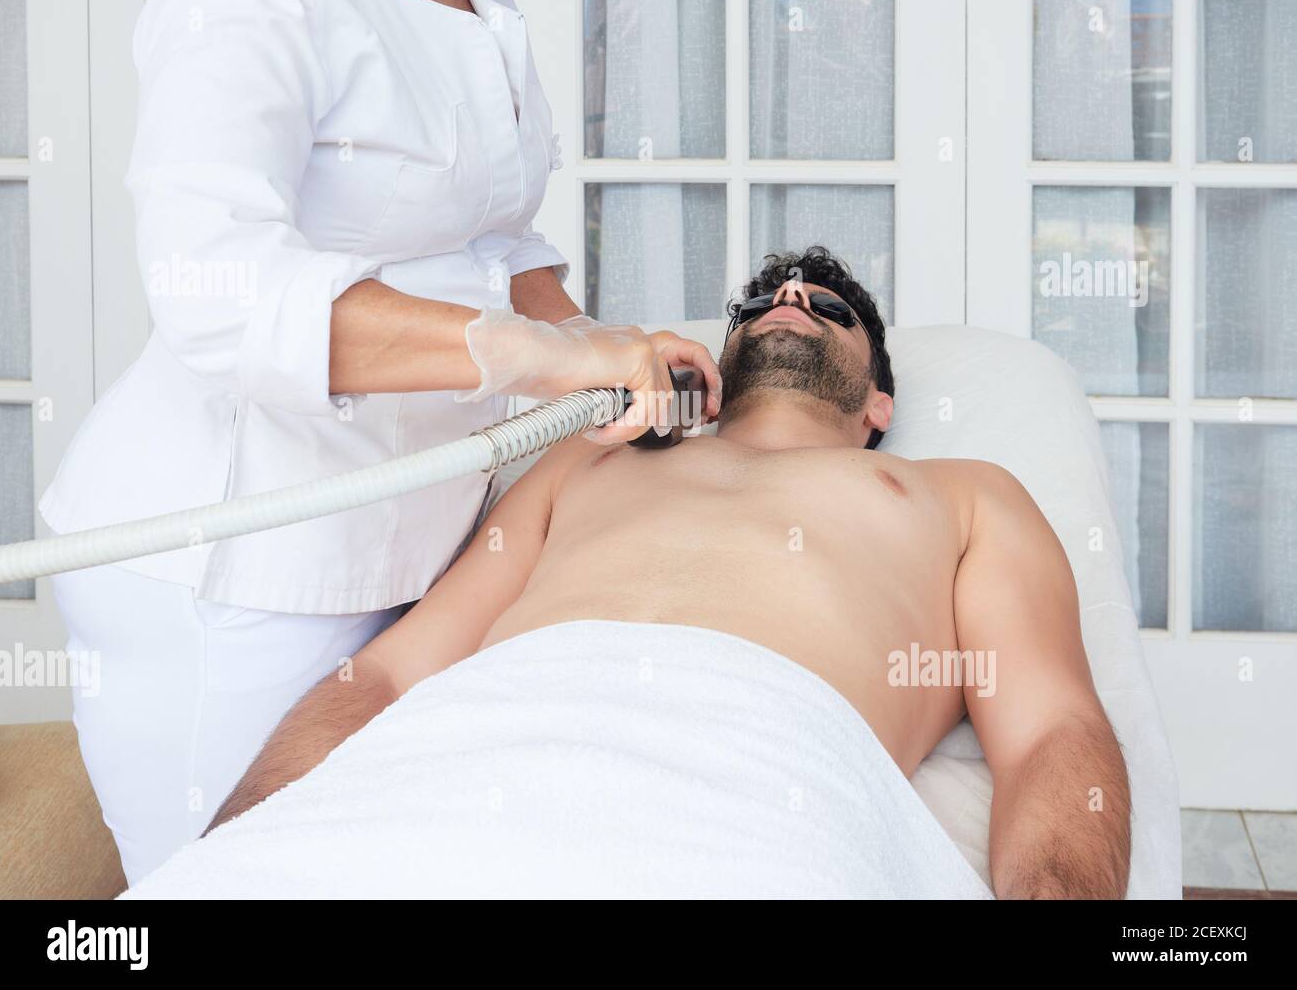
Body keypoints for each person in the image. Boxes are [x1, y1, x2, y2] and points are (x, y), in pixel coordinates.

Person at [39, 0, 719, 885]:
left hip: (410, 552)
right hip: (235, 565)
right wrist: (535, 357)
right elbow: (215, 282)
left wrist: (610, 348)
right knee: (227, 879)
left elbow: (495, 241)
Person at [192, 247, 1131, 900]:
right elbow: (391, 672)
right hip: (472, 745)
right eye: (762, 302)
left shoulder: (959, 494)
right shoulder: (589, 458)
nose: (789, 304)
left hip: (764, 774)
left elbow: (1053, 727)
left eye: (827, 307)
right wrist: (240, 849)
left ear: (879, 398)